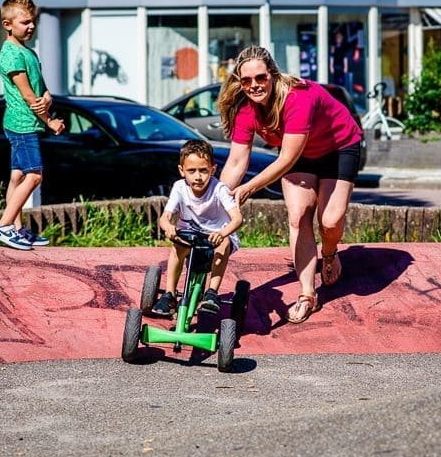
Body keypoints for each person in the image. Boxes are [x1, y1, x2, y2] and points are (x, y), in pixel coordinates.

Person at [217, 45, 362, 324]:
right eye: (246, 81)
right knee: (298, 217)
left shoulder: (297, 97)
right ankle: (308, 294)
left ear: (273, 74)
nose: (254, 85)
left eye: (260, 78)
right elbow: (236, 163)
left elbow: (285, 159)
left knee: (330, 222)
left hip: (339, 147)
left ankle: (329, 254)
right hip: (301, 155)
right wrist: (216, 197)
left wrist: (248, 188)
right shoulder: (247, 111)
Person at [0, 0, 65, 251]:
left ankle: (18, 230)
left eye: (33, 21)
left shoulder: (28, 52)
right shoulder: (11, 54)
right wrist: (50, 121)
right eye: (25, 22)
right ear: (7, 24)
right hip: (22, 123)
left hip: (26, 121)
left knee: (17, 175)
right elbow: (27, 95)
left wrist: (48, 97)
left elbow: (40, 89)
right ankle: (3, 225)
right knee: (34, 175)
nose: (31, 26)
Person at [152, 139, 244, 317]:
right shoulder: (179, 188)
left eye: (203, 170)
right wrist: (168, 227)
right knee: (177, 245)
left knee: (224, 243)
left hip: (215, 238)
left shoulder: (219, 189)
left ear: (213, 169)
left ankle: (211, 293)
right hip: (189, 237)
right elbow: (165, 217)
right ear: (182, 171)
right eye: (191, 171)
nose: (198, 176)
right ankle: (169, 295)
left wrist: (223, 232)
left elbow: (237, 218)